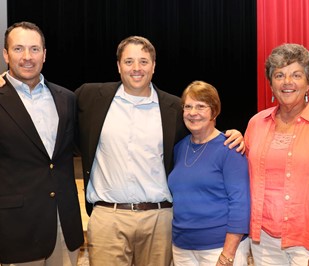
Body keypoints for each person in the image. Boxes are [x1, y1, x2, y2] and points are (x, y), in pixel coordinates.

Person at [75, 36, 244, 266]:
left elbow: (202, 134)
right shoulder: (91, 97)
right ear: (118, 65)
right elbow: (57, 109)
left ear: (154, 66)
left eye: (144, 61)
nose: (136, 68)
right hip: (108, 217)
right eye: (129, 61)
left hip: (159, 220)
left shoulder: (174, 108)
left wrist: (233, 134)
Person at [244, 43, 309, 265]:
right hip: (263, 242)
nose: (287, 82)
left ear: (308, 82)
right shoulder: (256, 123)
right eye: (279, 75)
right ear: (271, 83)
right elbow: (243, 178)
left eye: (296, 75)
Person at [0, 21, 84, 265]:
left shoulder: (66, 98)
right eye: (18, 49)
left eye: (35, 49)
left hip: (63, 226)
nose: (27, 57)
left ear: (44, 55)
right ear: (6, 54)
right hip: (16, 230)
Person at [168, 81, 250, 266]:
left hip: (218, 249)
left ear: (214, 111)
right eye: (188, 106)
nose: (193, 112)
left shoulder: (230, 148)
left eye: (201, 106)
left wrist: (228, 254)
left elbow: (240, 203)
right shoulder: (180, 148)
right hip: (182, 248)